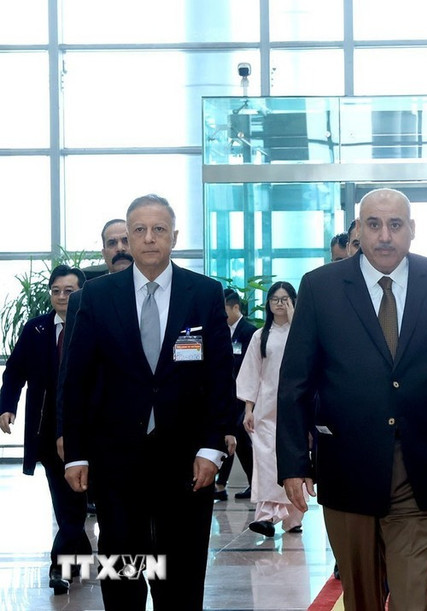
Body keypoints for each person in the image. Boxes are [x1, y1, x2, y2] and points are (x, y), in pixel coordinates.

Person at [277, 187, 427, 611]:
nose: (384, 236)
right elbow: (295, 384)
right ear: (358, 230)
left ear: (411, 230)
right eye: (373, 225)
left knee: (413, 595)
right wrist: (293, 463)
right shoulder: (321, 287)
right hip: (348, 467)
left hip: (423, 465)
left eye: (395, 225)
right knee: (362, 598)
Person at [61, 194, 235, 610]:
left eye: (159, 229)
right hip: (116, 461)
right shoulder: (96, 297)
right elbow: (75, 381)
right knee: (123, 570)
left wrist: (212, 448)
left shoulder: (204, 294)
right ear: (127, 239)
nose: (149, 238)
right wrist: (76, 453)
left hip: (188, 460)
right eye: (139, 230)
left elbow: (219, 379)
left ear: (174, 236)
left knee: (182, 571)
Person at [0, 265, 92, 595]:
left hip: (88, 429)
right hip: (47, 430)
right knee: (66, 502)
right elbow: (14, 372)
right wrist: (6, 406)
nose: (62, 297)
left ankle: (68, 561)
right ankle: (63, 565)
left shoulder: (94, 325)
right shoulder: (36, 329)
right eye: (57, 290)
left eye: (70, 291)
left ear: (82, 292)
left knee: (76, 503)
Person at [56, 218, 135, 513]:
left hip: (157, 433)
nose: (120, 249)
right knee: (115, 528)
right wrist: (66, 431)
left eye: (125, 240)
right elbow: (71, 373)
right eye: (112, 243)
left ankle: (152, 563)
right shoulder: (84, 299)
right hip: (103, 431)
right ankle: (126, 563)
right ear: (103, 251)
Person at [238, 281, 304, 537]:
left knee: (293, 463)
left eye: (284, 299)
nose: (279, 303)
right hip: (266, 409)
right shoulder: (259, 335)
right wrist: (248, 409)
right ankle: (266, 516)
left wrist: (294, 318)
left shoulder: (300, 333)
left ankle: (293, 518)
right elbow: (251, 374)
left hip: (295, 408)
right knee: (266, 462)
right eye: (275, 299)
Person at [214, 288, 257, 501]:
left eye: (225, 310)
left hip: (244, 395)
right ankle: (221, 484)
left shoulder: (249, 331)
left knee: (240, 437)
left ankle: (253, 483)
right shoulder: (223, 331)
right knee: (228, 435)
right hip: (229, 393)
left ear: (235, 307)